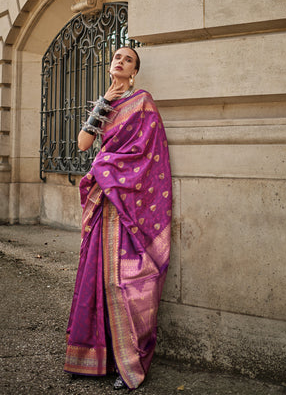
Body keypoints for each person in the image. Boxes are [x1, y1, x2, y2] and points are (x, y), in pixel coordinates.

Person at [64, 47, 172, 390]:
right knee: (96, 279)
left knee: (126, 281)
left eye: (128, 59)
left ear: (135, 71)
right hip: (104, 203)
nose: (120, 60)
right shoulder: (105, 103)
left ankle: (130, 362)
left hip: (128, 202)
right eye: (116, 56)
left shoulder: (142, 102)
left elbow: (148, 153)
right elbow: (83, 144)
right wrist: (101, 106)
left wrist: (110, 168)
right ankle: (97, 360)